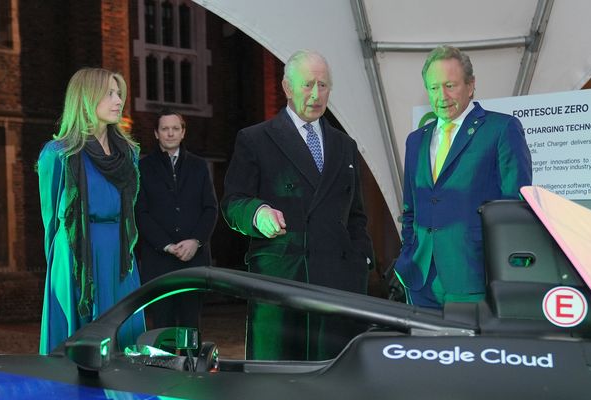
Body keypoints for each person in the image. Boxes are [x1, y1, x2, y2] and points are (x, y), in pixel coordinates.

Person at [223, 49, 374, 360]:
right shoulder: (256, 139)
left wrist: (361, 262)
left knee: (335, 381)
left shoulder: (345, 146)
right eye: (308, 85)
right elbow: (232, 202)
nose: (316, 94)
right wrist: (257, 213)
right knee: (279, 387)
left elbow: (356, 215)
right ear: (287, 88)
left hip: (338, 286)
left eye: (323, 85)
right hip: (282, 285)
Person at [394, 45, 532, 308]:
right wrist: (408, 253)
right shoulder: (416, 141)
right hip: (420, 278)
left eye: (450, 85)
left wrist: (510, 272)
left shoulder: (501, 129)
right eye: (434, 88)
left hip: (474, 277)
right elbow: (410, 208)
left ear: (470, 85)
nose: (441, 95)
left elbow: (516, 207)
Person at [37, 67, 144, 354]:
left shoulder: (128, 153)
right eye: (109, 93)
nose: (118, 100)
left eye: (119, 93)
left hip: (120, 255)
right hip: (75, 255)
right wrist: (59, 267)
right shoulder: (58, 153)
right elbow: (50, 221)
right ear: (86, 98)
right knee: (78, 341)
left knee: (123, 335)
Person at [135, 109, 217, 332]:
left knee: (192, 328)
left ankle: (190, 368)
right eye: (165, 129)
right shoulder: (143, 168)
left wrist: (195, 241)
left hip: (194, 260)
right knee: (162, 328)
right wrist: (168, 245)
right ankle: (165, 368)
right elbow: (141, 213)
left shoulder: (199, 166)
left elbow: (210, 209)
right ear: (156, 134)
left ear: (183, 133)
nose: (170, 133)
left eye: (175, 129)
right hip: (159, 262)